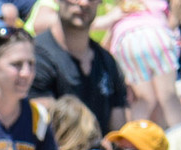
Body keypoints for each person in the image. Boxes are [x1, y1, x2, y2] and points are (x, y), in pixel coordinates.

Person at [31, 0, 127, 136]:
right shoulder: (35, 58)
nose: (84, 3)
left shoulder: (107, 62)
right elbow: (46, 131)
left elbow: (118, 130)